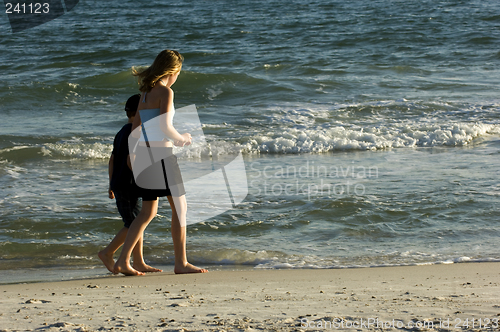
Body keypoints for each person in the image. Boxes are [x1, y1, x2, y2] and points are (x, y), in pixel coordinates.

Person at [113, 49, 208, 276]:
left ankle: (123, 261)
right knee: (180, 208)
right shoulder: (165, 92)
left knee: (147, 212)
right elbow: (166, 127)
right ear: (173, 70)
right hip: (162, 156)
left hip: (145, 155)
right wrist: (182, 138)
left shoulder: (145, 94)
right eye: (178, 73)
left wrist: (131, 155)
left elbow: (135, 128)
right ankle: (181, 263)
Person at [98, 94, 162, 274]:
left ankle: (139, 261)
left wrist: (111, 183)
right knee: (132, 224)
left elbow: (112, 160)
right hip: (128, 184)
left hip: (120, 183)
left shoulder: (121, 131)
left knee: (136, 221)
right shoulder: (134, 132)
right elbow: (131, 160)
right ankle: (107, 252)